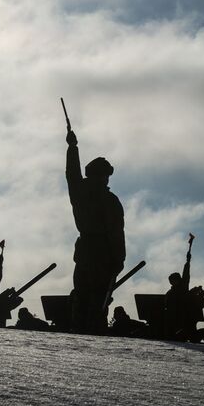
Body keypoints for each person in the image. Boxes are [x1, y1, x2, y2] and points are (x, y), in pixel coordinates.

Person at [66, 128, 125, 333]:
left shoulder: (83, 194)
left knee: (87, 296)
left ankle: (84, 330)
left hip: (90, 251)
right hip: (101, 252)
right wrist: (119, 259)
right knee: (93, 297)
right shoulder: (107, 200)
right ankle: (89, 331)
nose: (106, 180)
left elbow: (72, 174)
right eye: (104, 176)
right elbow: (116, 233)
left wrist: (73, 148)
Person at [164, 246, 204, 341]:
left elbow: (186, 275)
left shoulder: (180, 288)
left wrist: (188, 262)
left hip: (183, 317)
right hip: (177, 319)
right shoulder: (171, 293)